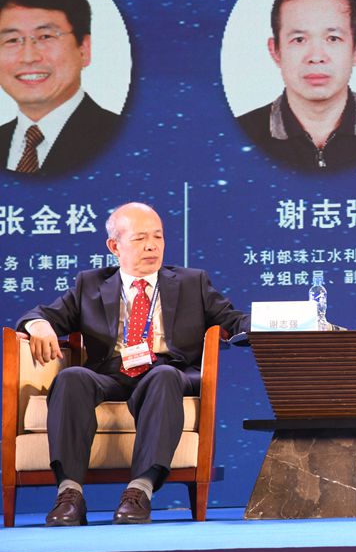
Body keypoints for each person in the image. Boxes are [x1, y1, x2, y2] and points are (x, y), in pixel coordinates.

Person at [14, 202, 249, 525]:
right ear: (115, 246)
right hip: (110, 373)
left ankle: (139, 491)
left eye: (158, 237)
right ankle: (69, 494)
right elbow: (41, 314)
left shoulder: (191, 282)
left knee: (163, 375)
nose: (152, 246)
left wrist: (271, 326)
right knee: (71, 378)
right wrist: (38, 325)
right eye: (140, 238)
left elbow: (233, 320)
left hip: (168, 371)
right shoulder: (90, 284)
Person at [236, 0, 356, 169]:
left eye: (333, 38)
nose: (316, 57)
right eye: (299, 40)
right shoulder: (237, 137)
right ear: (275, 51)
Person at [0, 0, 121, 175]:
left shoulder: (121, 137)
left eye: (46, 37)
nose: (28, 57)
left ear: (84, 49)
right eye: (12, 40)